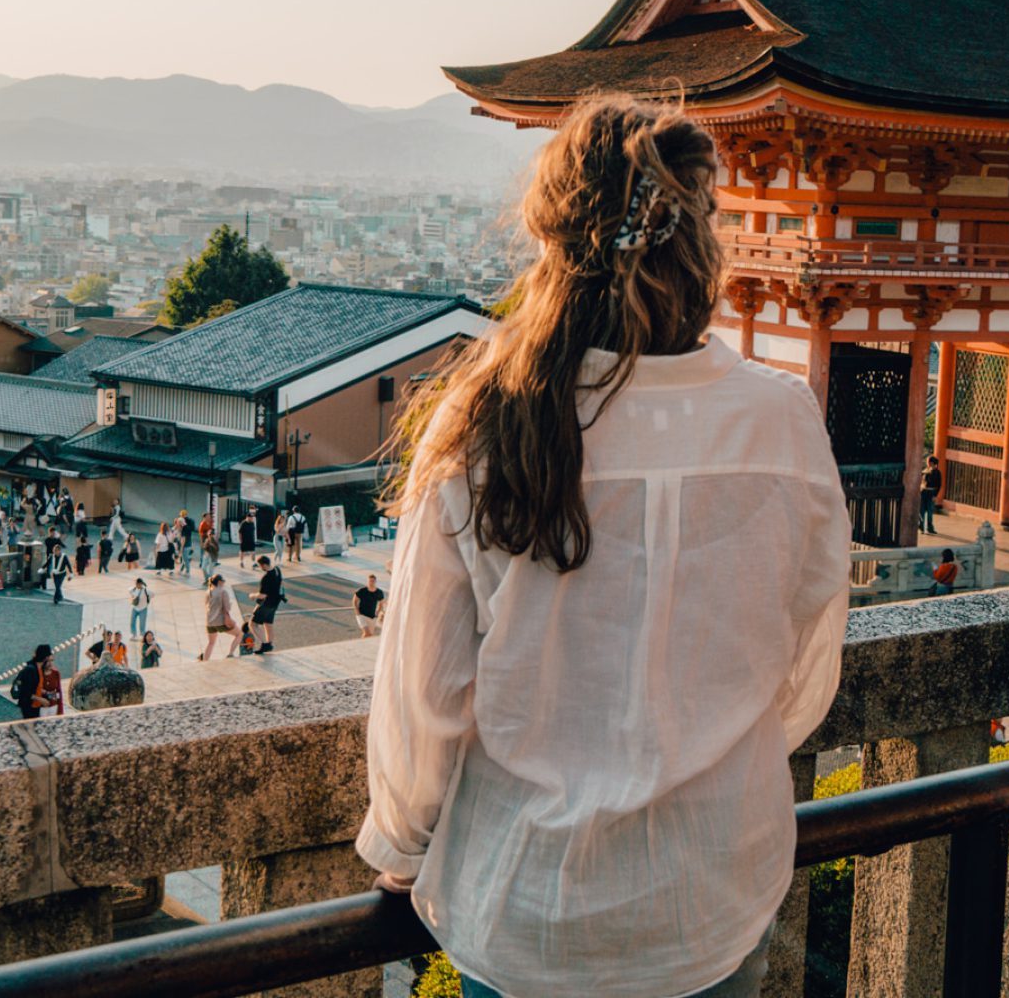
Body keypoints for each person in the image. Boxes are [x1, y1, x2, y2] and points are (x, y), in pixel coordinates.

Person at [355, 95, 851, 998]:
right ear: (702, 242)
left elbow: (426, 689)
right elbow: (808, 649)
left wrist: (400, 843)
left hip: (530, 903)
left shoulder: (487, 420)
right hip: (712, 893)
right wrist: (704, 751)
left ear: (553, 243)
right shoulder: (779, 422)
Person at [200, 574, 243, 660]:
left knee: (211, 643)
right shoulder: (223, 592)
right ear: (219, 582)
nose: (224, 583)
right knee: (239, 634)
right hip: (221, 621)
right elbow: (227, 608)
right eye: (223, 581)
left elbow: (206, 606)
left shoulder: (208, 592)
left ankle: (205, 660)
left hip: (209, 622)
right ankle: (230, 654)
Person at [249, 555, 286, 653]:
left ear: (264, 565)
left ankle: (265, 644)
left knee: (252, 624)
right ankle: (269, 643)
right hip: (275, 602)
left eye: (260, 566)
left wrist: (253, 595)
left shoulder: (266, 578)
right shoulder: (277, 570)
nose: (260, 568)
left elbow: (262, 595)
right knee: (268, 623)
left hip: (266, 603)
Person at [12, 644, 54, 719]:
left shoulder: (39, 669)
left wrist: (44, 692)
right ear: (46, 658)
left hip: (36, 706)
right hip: (29, 706)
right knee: (30, 726)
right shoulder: (31, 670)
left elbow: (34, 686)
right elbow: (26, 692)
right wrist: (41, 700)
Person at [919, 454, 942, 534]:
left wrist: (935, 495)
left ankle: (930, 527)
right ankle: (921, 527)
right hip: (923, 492)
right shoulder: (925, 470)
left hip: (931, 493)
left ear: (932, 463)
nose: (927, 463)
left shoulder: (937, 472)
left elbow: (939, 485)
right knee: (921, 510)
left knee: (930, 511)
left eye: (928, 462)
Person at [176, 510, 195, 576]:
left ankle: (187, 571)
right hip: (188, 543)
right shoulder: (189, 523)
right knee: (184, 558)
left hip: (185, 545)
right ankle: (181, 570)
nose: (177, 524)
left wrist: (181, 549)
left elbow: (183, 539)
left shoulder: (184, 528)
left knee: (185, 558)